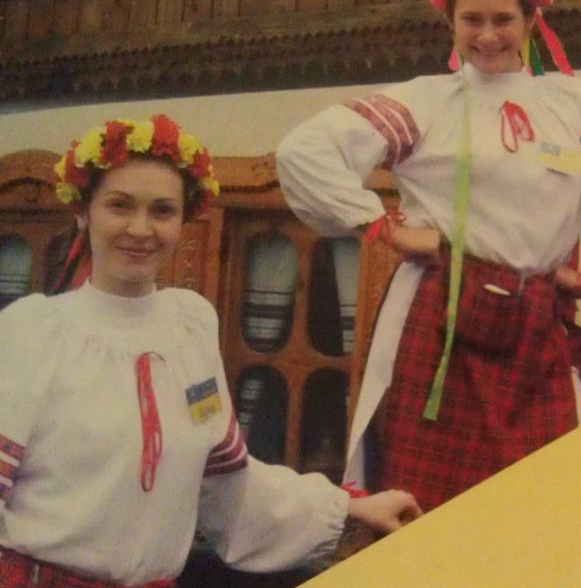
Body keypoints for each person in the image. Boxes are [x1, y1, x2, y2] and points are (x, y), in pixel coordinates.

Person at [276, 0, 581, 510]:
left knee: (548, 500)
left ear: (531, 19)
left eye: (503, 19)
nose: (487, 35)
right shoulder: (427, 101)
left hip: (537, 329)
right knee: (426, 504)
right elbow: (304, 151)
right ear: (451, 21)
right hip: (441, 322)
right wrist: (382, 227)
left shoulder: (569, 104)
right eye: (472, 20)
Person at [0, 115, 421, 588]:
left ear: (184, 219)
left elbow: (225, 485)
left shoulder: (190, 326)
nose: (140, 228)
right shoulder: (33, 331)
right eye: (119, 205)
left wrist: (350, 508)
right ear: (83, 212)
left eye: (162, 211)